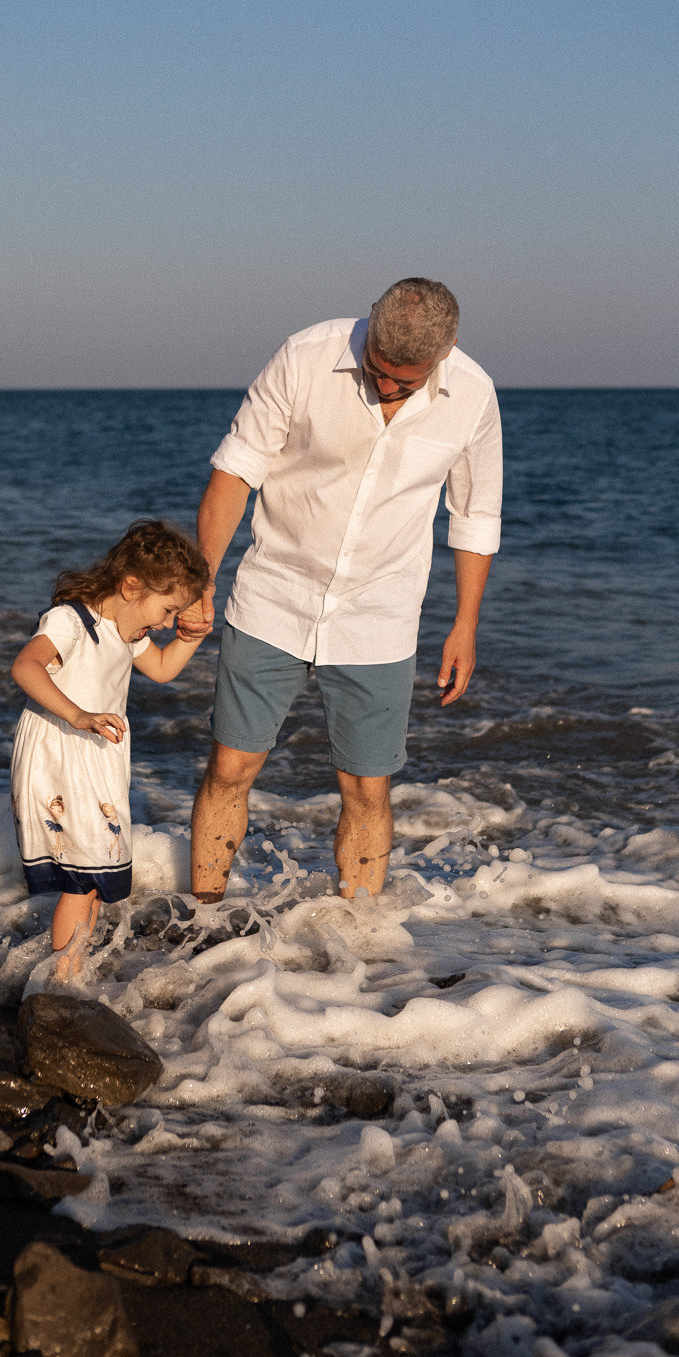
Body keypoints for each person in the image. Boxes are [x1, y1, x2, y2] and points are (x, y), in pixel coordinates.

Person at [183, 277, 502, 904]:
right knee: (230, 768)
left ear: (446, 351)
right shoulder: (306, 357)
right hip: (273, 596)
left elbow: (475, 517)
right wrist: (202, 579)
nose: (385, 387)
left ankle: (355, 939)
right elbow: (235, 471)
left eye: (402, 382)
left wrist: (464, 625)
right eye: (377, 371)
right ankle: (203, 919)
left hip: (379, 617)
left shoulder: (473, 395)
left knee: (367, 789)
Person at [10, 519, 210, 979]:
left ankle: (70, 969)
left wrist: (187, 640)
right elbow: (25, 666)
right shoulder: (71, 621)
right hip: (61, 754)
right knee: (82, 880)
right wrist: (77, 714)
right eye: (166, 610)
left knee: (95, 876)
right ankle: (62, 979)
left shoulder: (125, 631)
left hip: (95, 755)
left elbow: (160, 669)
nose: (165, 622)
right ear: (131, 585)